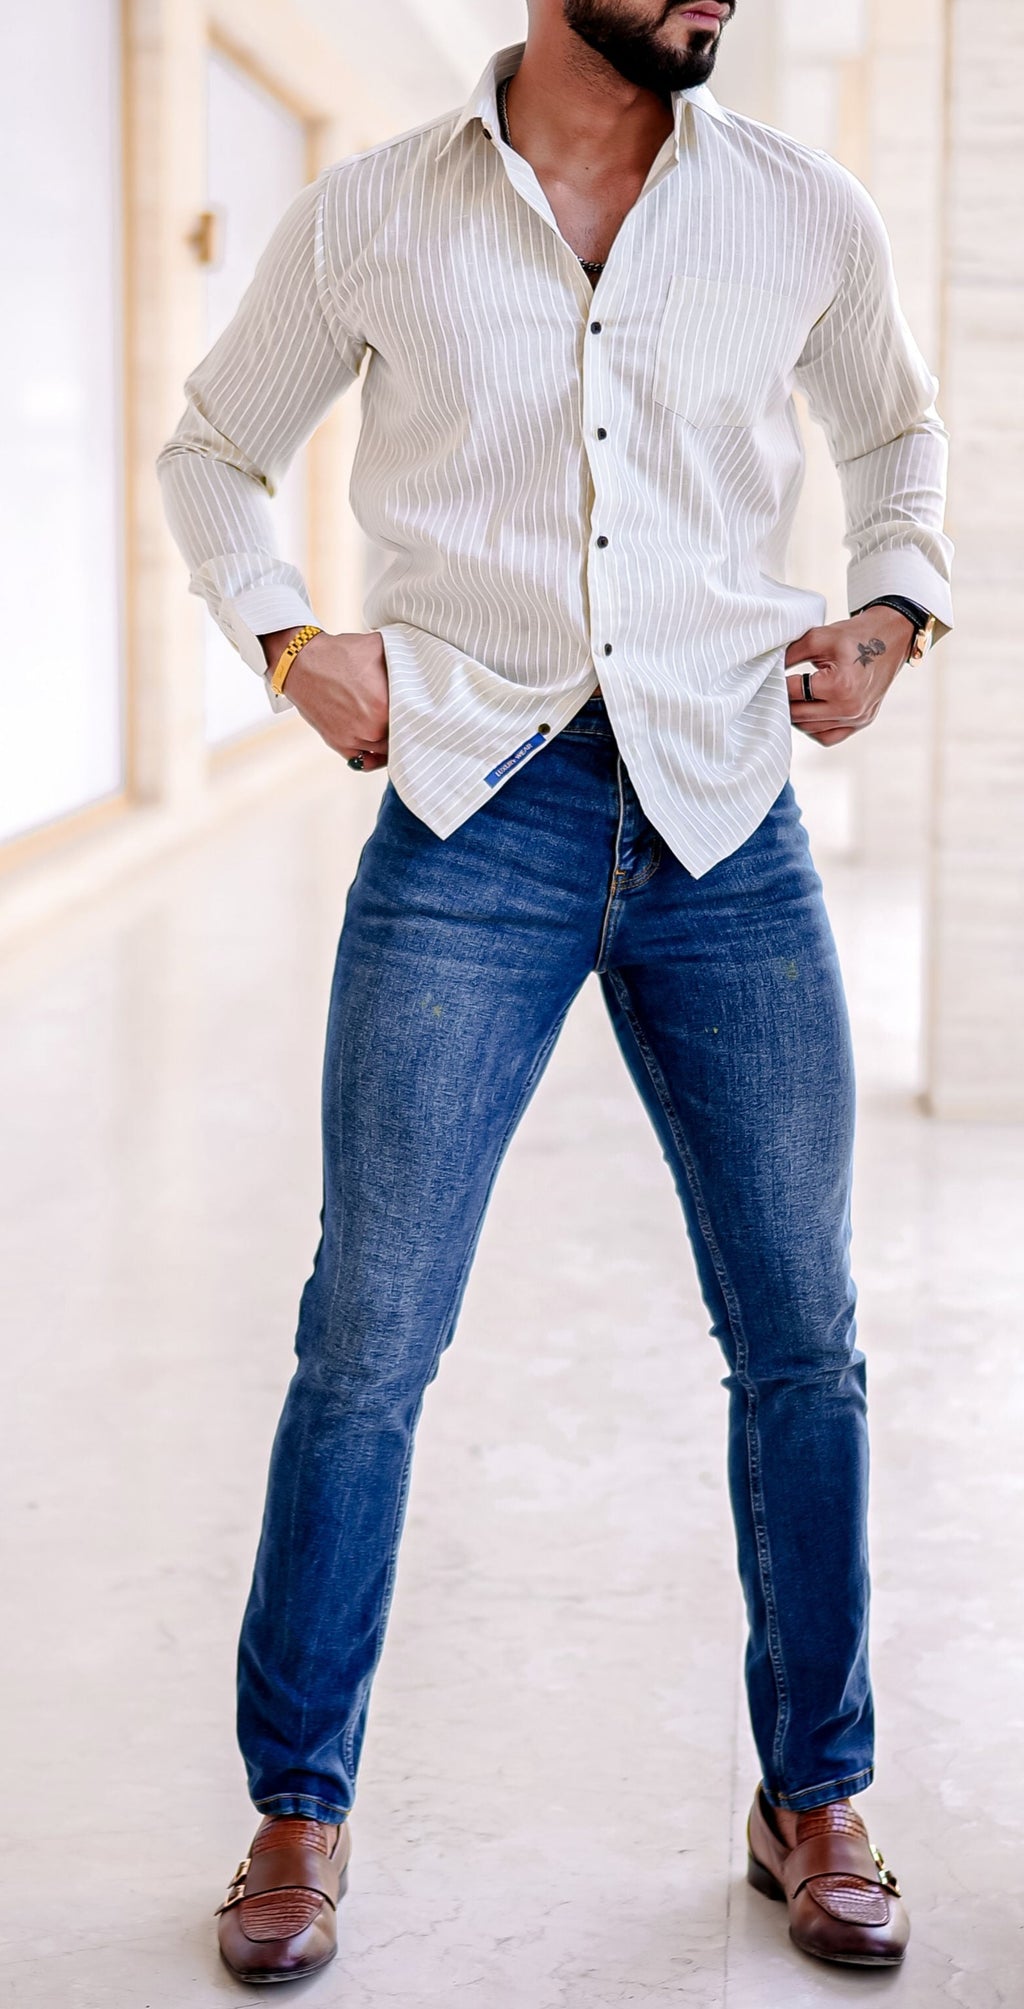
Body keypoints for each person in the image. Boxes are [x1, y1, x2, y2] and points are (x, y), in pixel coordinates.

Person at [157, 0, 952, 1982]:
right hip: (468, 819)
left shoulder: (796, 210)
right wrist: (286, 645)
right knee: (367, 1339)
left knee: (800, 1341)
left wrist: (885, 611)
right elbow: (212, 449)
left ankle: (814, 1794)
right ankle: (294, 1811)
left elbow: (892, 432)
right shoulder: (374, 217)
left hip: (725, 827)